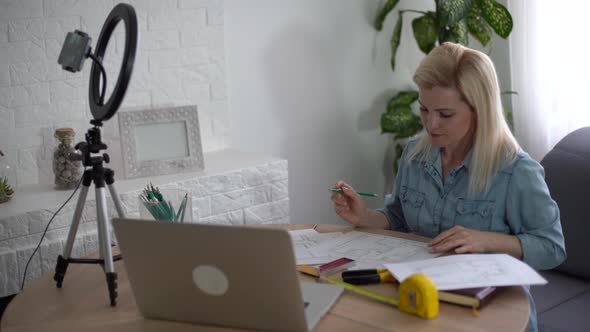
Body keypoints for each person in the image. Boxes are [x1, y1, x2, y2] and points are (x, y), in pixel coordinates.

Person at [331, 42, 565, 332]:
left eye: (445, 114)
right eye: (424, 109)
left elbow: (553, 247)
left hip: (491, 315)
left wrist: (487, 240)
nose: (431, 123)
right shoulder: (415, 155)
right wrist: (363, 216)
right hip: (418, 303)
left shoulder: (516, 171)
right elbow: (399, 219)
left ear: (479, 109)